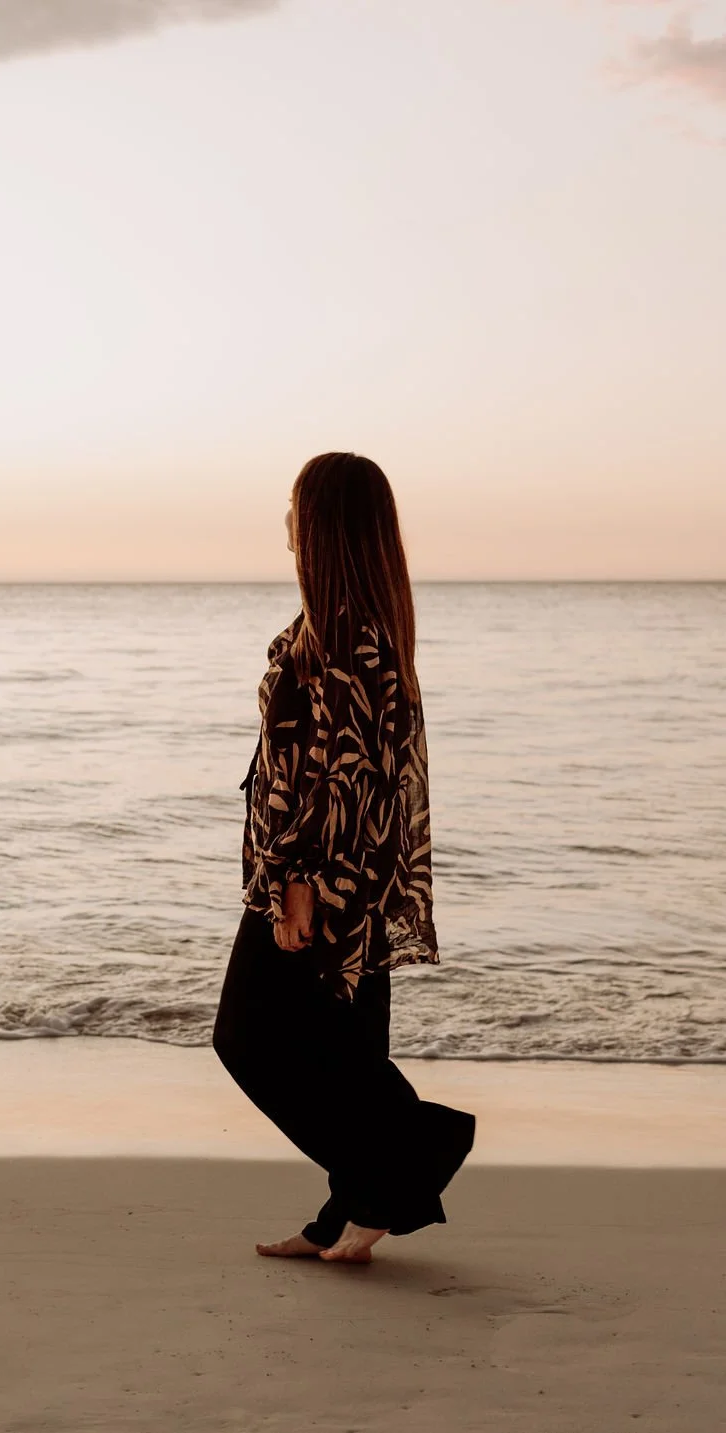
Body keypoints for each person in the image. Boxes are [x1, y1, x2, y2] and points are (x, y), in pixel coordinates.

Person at [212, 451, 476, 1265]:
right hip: (322, 881)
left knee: (248, 1036)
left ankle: (415, 1157)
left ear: (323, 525)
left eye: (296, 507)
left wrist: (303, 887)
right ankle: (349, 1212)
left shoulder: (353, 641)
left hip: (324, 885)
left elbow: (354, 784)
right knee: (343, 1054)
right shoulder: (339, 629)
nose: (286, 524)